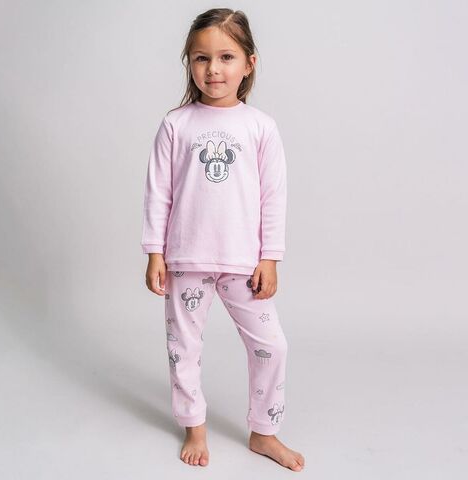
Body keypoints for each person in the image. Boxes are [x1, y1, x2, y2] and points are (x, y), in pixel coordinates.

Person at [141, 8, 304, 472]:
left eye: (226, 57)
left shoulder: (261, 127)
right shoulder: (176, 124)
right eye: (201, 58)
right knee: (183, 348)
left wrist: (270, 257)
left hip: (242, 261)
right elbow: (158, 192)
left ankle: (264, 431)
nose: (213, 69)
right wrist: (154, 252)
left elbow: (273, 197)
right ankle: (193, 424)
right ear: (189, 63)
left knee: (272, 345)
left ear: (249, 64)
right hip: (185, 258)